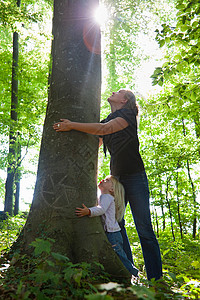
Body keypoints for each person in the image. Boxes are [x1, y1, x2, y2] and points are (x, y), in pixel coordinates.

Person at [53, 89, 162, 281]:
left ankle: (156, 279)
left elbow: (103, 130)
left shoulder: (128, 114)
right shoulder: (108, 119)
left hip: (135, 176)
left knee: (144, 228)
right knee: (117, 223)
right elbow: (96, 138)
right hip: (117, 178)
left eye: (118, 91)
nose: (113, 91)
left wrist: (71, 125)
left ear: (124, 100)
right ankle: (129, 272)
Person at [75, 175, 139, 277]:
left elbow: (101, 209)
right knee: (116, 255)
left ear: (112, 189)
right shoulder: (105, 197)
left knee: (119, 256)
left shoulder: (107, 197)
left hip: (113, 234)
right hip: (113, 233)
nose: (103, 180)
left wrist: (89, 211)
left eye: (107, 180)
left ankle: (133, 273)